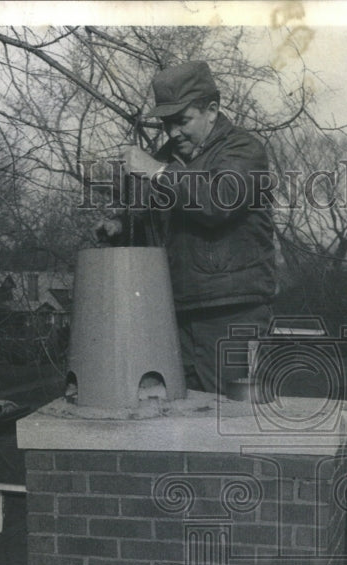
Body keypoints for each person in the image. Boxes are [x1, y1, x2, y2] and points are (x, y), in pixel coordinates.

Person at [120, 61, 276, 394]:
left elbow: (218, 200)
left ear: (212, 109)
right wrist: (121, 225)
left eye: (182, 121)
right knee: (179, 418)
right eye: (166, 124)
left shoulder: (243, 150)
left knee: (228, 420)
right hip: (174, 311)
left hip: (232, 313)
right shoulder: (168, 157)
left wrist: (158, 173)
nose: (173, 133)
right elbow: (160, 218)